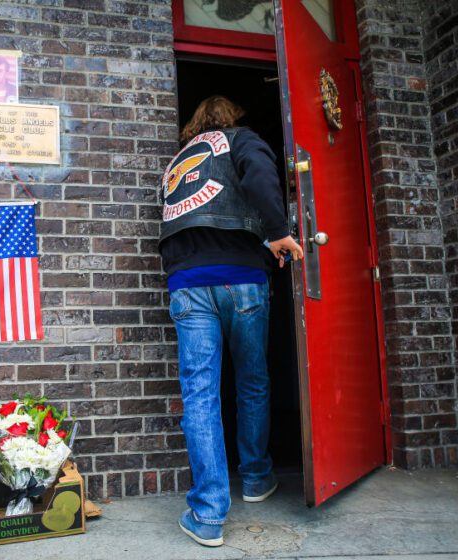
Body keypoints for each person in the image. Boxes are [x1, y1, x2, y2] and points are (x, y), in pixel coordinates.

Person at [159, 95, 304, 547]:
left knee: (200, 395)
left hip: (188, 284)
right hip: (242, 278)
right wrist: (279, 231)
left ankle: (207, 515)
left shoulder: (176, 166)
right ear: (233, 118)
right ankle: (257, 478)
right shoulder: (242, 140)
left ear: (195, 125)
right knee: (253, 380)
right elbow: (260, 176)